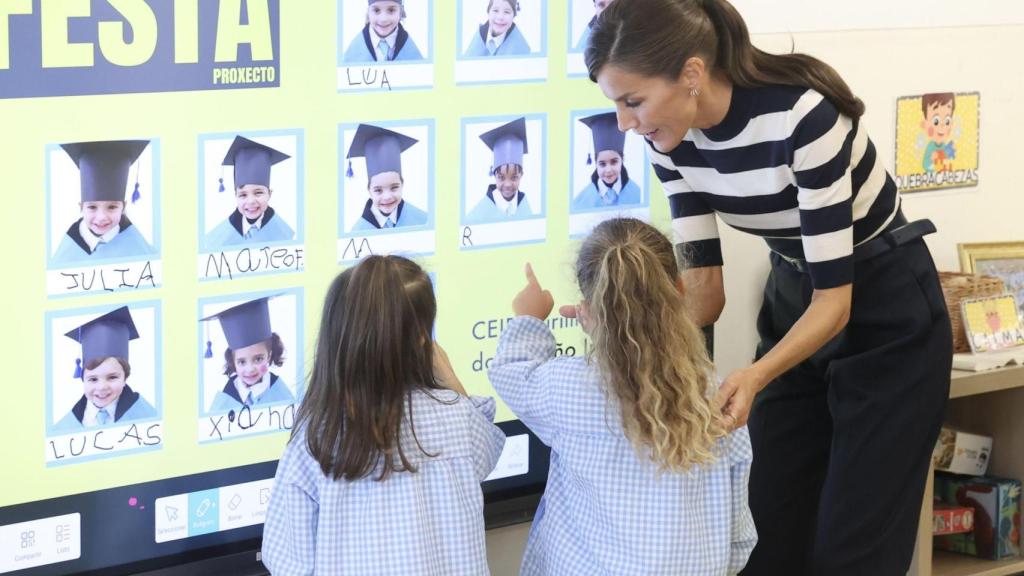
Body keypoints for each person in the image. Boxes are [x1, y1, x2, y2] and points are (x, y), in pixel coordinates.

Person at [586, 1, 952, 574]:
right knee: (765, 532)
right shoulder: (671, 143)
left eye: (632, 102)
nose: (626, 124)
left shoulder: (803, 117)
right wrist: (626, 327)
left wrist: (756, 374)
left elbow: (837, 301)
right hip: (792, 299)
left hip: (885, 308)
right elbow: (705, 291)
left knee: (853, 550)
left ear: (691, 73)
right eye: (615, 104)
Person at [489, 219, 756, 574]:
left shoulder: (569, 388)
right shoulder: (718, 396)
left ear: (588, 308)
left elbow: (511, 371)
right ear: (679, 290)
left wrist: (530, 318)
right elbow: (739, 537)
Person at [261, 256, 506, 575]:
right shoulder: (458, 416)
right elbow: (486, 452)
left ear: (338, 336)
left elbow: (287, 558)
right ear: (423, 337)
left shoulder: (319, 434)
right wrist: (451, 380)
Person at [51, 140, 156, 266]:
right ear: (81, 207)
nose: (101, 217)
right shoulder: (67, 251)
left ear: (123, 207)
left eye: (112, 207)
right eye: (92, 207)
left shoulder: (138, 247)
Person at [54, 306, 157, 432]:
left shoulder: (148, 416)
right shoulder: (66, 425)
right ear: (83, 379)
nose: (102, 387)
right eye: (93, 379)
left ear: (125, 377)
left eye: (112, 377)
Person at [201, 296, 295, 413]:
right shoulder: (227, 397)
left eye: (258, 359)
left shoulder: (281, 393)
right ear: (233, 362)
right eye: (241, 362)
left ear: (269, 355)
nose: (250, 369)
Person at [207, 136, 295, 248]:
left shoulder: (285, 234)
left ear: (269, 194)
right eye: (243, 195)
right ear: (236, 196)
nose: (251, 201)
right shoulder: (218, 237)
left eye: (258, 192)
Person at [346, 124, 429, 231]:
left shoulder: (423, 220)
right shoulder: (358, 231)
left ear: (402, 184)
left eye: (394, 187)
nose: (387, 197)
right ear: (369, 190)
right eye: (378, 190)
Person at [572, 111, 642, 211]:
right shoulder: (581, 202)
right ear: (595, 163)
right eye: (602, 164)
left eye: (614, 162)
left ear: (623, 159)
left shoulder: (637, 194)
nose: (608, 170)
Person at [467, 117, 533, 222]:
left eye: (514, 177)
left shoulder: (524, 205)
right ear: (494, 174)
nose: (507, 184)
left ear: (521, 175)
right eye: (501, 177)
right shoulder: (481, 211)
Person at [343, 0, 424, 63]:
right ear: (368, 12)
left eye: (391, 10)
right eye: (376, 10)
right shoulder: (354, 50)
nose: (383, 19)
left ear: (401, 12)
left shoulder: (410, 49)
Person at [464, 0, 531, 57]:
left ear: (513, 16)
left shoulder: (521, 47)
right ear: (488, 12)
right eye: (495, 10)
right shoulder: (478, 38)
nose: (500, 17)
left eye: (507, 12)